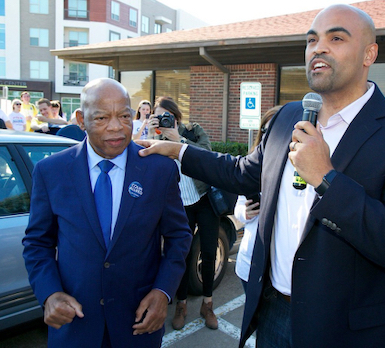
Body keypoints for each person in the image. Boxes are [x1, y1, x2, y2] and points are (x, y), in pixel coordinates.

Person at [137, 5, 385, 347]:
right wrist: (178, 151)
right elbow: (243, 173)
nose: (319, 47)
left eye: (336, 38)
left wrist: (326, 179)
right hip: (272, 315)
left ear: (368, 53)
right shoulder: (288, 116)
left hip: (348, 332)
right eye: (312, 39)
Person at [22, 78, 192, 348]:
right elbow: (37, 243)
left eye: (124, 116)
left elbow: (179, 236)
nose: (116, 127)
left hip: (138, 325)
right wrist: (49, 293)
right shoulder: (51, 171)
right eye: (101, 117)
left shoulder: (159, 170)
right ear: (81, 119)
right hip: (75, 327)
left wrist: (163, 292)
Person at [147, 96, 220, 330]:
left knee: (209, 252)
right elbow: (144, 168)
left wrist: (178, 140)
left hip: (204, 200)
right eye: (158, 117)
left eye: (166, 116)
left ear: (175, 116)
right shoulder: (155, 140)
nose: (163, 120)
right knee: (181, 255)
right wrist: (149, 135)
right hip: (179, 206)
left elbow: (208, 156)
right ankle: (181, 304)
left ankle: (207, 304)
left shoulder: (192, 131)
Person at [234, 106, 280, 291]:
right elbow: (237, 208)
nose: (269, 137)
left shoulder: (301, 169)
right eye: (265, 131)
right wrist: (245, 212)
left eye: (276, 131)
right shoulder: (251, 165)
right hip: (250, 260)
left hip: (281, 267)